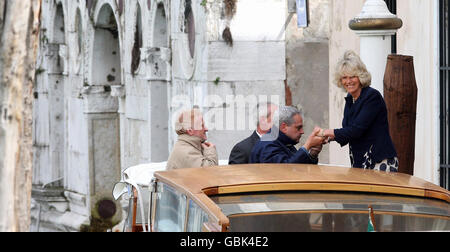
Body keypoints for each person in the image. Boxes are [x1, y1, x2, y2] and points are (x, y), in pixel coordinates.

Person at [319, 50, 398, 172]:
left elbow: (356, 130)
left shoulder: (372, 97)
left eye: (352, 77)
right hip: (360, 162)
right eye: (344, 77)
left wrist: (328, 132)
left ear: (361, 77)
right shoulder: (351, 99)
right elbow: (347, 133)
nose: (348, 81)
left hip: (379, 161)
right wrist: (327, 138)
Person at [250, 106, 324, 164]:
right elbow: (287, 170)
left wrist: (313, 154)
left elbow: (301, 170)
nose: (302, 132)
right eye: (298, 128)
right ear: (284, 127)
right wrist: (307, 145)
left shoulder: (284, 142)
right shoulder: (268, 145)